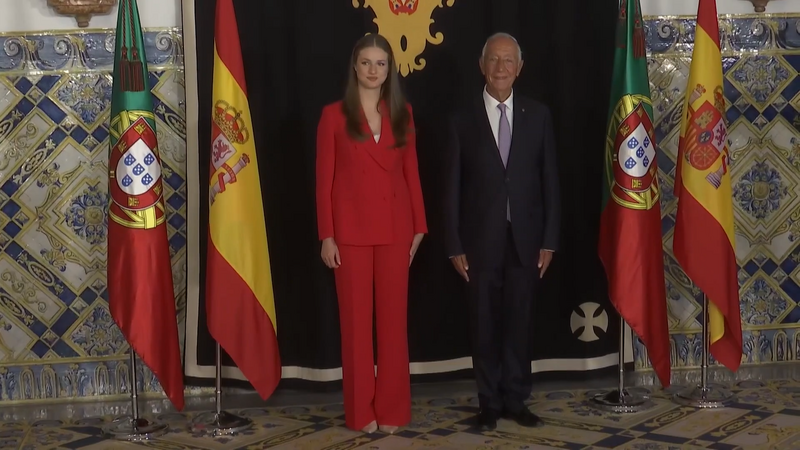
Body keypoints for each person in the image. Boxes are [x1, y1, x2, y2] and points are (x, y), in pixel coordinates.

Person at [443, 32, 560, 431]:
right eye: (494, 60)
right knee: (483, 324)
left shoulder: (538, 115)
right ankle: (489, 402)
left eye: (508, 61)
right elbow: (451, 188)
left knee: (519, 322)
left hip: (526, 241)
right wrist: (453, 243)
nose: (501, 68)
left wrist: (549, 239)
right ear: (482, 66)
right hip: (478, 243)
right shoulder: (461, 120)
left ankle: (516, 398)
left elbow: (550, 182)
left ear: (520, 68)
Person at [315, 34, 427, 434]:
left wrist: (420, 226)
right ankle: (362, 412)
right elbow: (323, 180)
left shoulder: (403, 113)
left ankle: (394, 409)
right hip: (350, 235)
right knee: (357, 328)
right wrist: (326, 235)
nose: (373, 70)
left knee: (393, 326)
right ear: (355, 67)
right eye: (366, 62)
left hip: (397, 231)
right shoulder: (333, 116)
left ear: (389, 70)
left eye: (381, 63)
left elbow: (411, 172)